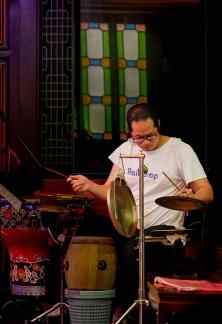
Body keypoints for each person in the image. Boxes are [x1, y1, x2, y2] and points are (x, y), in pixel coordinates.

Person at [67, 102, 213, 322]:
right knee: (89, 230)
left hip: (164, 234)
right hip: (130, 226)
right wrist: (88, 185)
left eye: (150, 136)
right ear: (130, 133)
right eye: (139, 138)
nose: (145, 143)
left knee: (132, 250)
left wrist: (190, 197)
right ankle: (94, 308)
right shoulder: (126, 150)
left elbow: (207, 192)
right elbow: (110, 191)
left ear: (159, 126)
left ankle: (132, 314)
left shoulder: (180, 150)